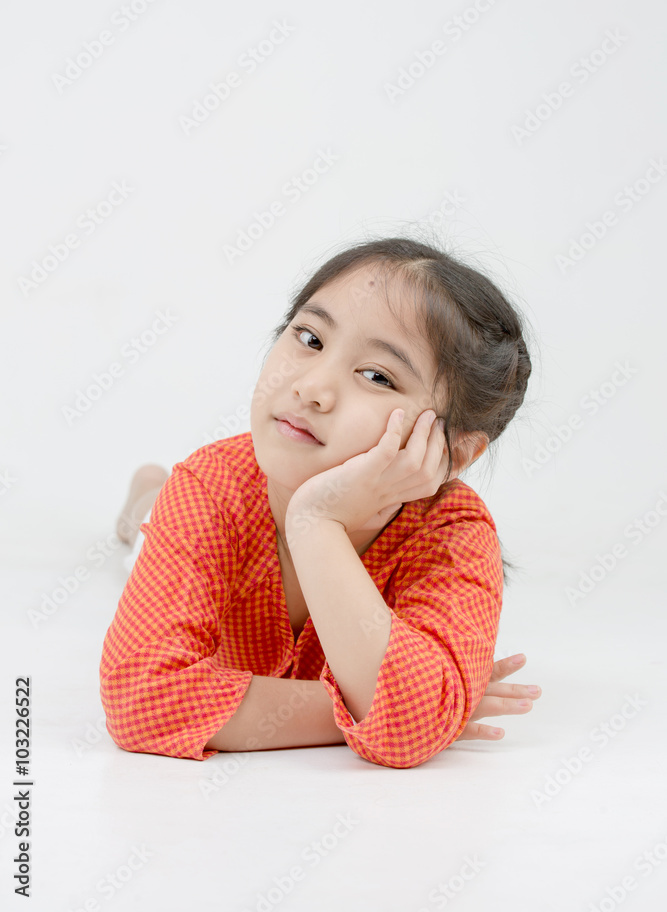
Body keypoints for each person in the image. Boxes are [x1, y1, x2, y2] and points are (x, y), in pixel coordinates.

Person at [100, 236, 541, 768]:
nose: (312, 387)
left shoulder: (455, 535)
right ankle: (146, 495)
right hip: (184, 516)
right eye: (309, 338)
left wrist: (316, 521)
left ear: (455, 451)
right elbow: (141, 701)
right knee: (147, 519)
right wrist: (385, 710)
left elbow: (410, 730)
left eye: (377, 376)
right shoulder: (209, 487)